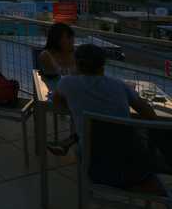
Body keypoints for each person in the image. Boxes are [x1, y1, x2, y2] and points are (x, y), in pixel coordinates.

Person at [52, 44, 162, 192]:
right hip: (134, 170)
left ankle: (71, 140)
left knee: (84, 139)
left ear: (77, 64)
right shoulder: (120, 86)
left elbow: (57, 105)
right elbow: (150, 116)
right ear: (103, 65)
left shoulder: (67, 83)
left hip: (96, 170)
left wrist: (77, 102)